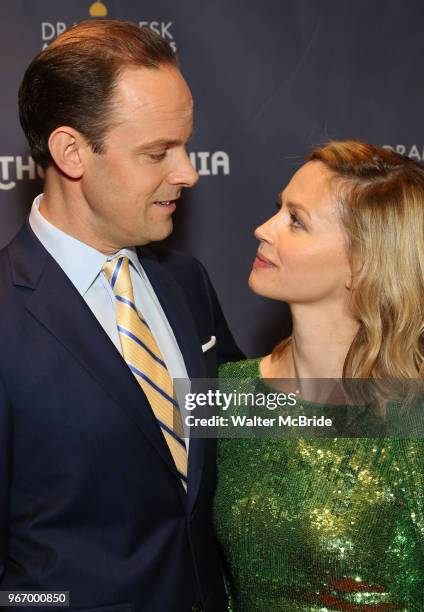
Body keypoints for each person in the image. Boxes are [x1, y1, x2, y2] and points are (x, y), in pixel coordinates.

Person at [0, 20, 243, 612]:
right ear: (71, 152)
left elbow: (237, 419)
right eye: (157, 152)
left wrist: (385, 407)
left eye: (185, 145)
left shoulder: (184, 281)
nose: (187, 172)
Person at [214, 141, 424, 610]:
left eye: (296, 221)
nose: (263, 229)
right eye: (279, 210)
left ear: (362, 264)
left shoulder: (412, 418)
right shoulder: (230, 391)